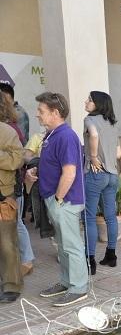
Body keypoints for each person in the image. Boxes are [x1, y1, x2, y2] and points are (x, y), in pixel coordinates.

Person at [26, 92, 88, 307]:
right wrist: (36, 171)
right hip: (56, 199)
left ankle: (79, 287)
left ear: (55, 112)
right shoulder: (51, 135)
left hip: (65, 200)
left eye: (41, 111)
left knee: (71, 245)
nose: (37, 115)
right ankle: (66, 281)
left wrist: (59, 199)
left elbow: (69, 172)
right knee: (62, 246)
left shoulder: (66, 136)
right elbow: (53, 164)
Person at [83, 91, 121, 275]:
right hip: (113, 175)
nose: (86, 102)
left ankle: (90, 262)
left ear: (97, 104)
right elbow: (118, 153)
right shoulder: (112, 124)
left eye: (89, 99)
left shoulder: (90, 120)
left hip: (96, 174)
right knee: (110, 216)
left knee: (89, 217)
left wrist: (92, 157)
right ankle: (111, 256)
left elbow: (94, 135)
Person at [0, 91, 34, 278]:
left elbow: (18, 158)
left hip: (13, 185)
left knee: (16, 224)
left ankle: (27, 260)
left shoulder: (12, 129)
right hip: (10, 184)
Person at [0, 116, 24, 303]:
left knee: (7, 243)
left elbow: (18, 160)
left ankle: (12, 285)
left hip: (3, 196)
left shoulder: (7, 131)